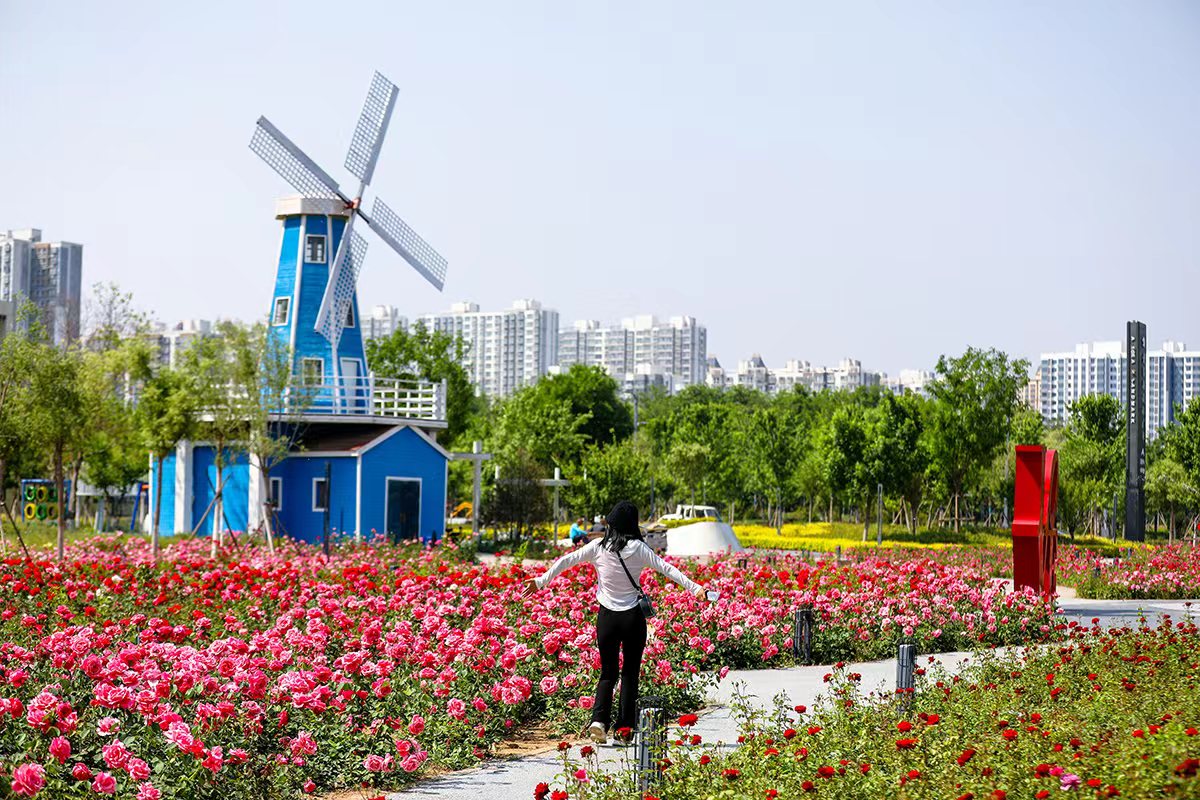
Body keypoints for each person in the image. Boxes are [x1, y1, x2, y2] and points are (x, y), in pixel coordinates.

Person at [522, 500, 710, 744]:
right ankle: (624, 730)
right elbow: (668, 569)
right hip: (632, 618)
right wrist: (696, 589)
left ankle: (599, 721)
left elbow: (566, 561)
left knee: (608, 672)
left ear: (611, 525)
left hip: (607, 619)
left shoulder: (598, 547)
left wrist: (540, 581)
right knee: (630, 673)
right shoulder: (639, 548)